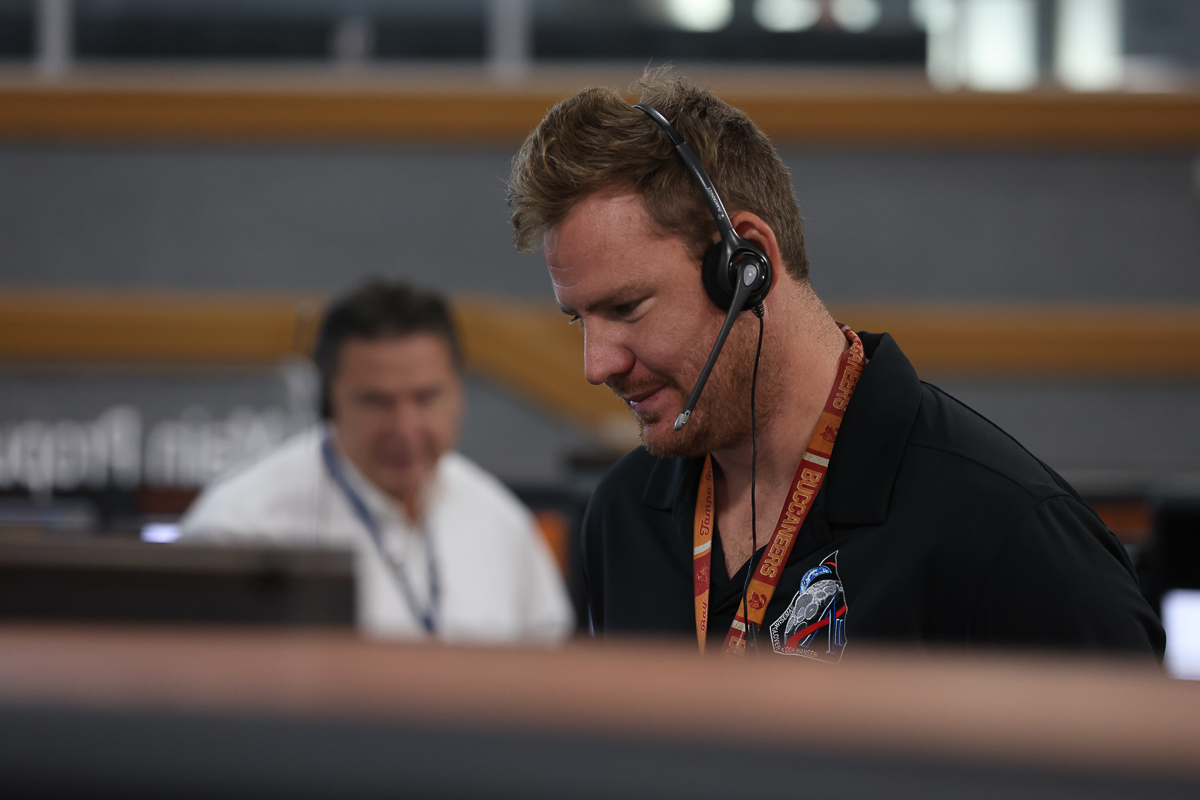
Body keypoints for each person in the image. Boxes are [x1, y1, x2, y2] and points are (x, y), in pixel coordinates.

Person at [506, 68, 1164, 660]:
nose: (597, 365)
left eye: (626, 307)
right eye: (579, 320)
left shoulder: (1006, 532)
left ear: (745, 266)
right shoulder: (623, 516)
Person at [180, 280, 574, 645]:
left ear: (459, 394)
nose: (405, 428)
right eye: (377, 402)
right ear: (328, 403)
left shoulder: (501, 521)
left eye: (426, 398)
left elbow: (552, 675)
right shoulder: (238, 530)